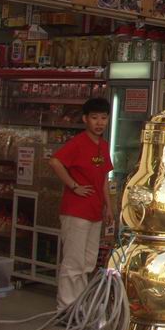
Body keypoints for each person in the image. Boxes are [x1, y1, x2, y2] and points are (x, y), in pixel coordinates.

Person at [48, 98, 114, 310]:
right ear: (85, 119)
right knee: (73, 262)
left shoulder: (103, 146)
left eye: (103, 118)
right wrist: (74, 185)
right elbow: (55, 161)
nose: (99, 122)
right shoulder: (77, 143)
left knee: (87, 262)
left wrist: (109, 206)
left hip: (95, 212)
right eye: (94, 118)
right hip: (76, 211)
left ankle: (80, 306)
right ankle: (65, 309)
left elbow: (103, 178)